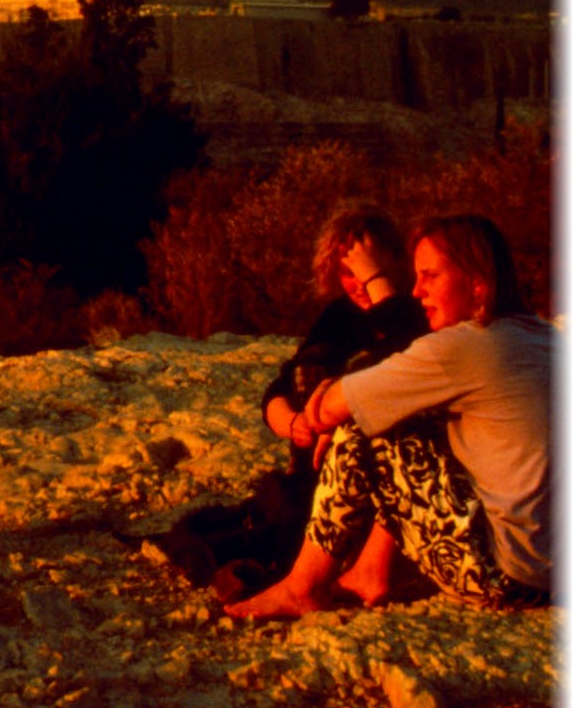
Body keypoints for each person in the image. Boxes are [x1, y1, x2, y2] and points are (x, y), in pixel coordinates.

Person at [227, 214, 552, 619]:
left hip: (508, 576)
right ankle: (368, 570)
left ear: (478, 283)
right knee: (403, 414)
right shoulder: (546, 338)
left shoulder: (464, 346)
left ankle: (302, 587)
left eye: (430, 277)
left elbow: (333, 410)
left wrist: (334, 394)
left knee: (361, 430)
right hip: (554, 575)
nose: (417, 292)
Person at [152, 206, 425, 596]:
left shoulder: (421, 315)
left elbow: (408, 354)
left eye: (367, 271)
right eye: (348, 273)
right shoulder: (342, 316)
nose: (359, 284)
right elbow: (287, 379)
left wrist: (379, 285)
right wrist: (290, 420)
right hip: (317, 469)